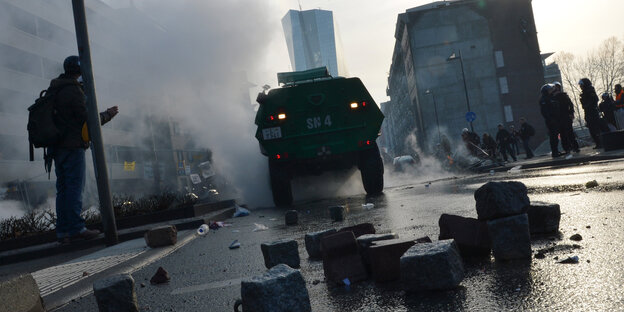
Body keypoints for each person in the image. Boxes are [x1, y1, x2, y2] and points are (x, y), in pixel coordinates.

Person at [49, 55, 119, 243]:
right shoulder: (73, 90)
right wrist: (108, 115)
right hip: (72, 146)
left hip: (57, 147)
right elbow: (88, 121)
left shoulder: (55, 88)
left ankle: (63, 231)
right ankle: (76, 229)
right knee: (74, 188)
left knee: (63, 189)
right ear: (80, 71)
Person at [579, 78, 607, 149]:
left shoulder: (590, 91)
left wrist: (587, 105)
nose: (580, 86)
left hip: (592, 112)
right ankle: (598, 143)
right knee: (591, 129)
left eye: (581, 85)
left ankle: (600, 143)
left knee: (595, 128)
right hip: (588, 112)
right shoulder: (584, 92)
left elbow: (594, 100)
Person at [552, 82, 580, 153]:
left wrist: (571, 113)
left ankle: (574, 147)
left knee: (569, 132)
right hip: (559, 117)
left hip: (565, 116)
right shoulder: (553, 97)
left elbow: (570, 104)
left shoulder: (563, 96)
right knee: (563, 134)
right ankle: (568, 148)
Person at [539, 83, 562, 157]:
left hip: (556, 119)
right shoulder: (544, 99)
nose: (551, 90)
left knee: (556, 136)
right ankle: (554, 152)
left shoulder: (551, 97)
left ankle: (556, 151)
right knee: (553, 136)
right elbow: (545, 112)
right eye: (549, 90)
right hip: (551, 121)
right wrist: (550, 119)